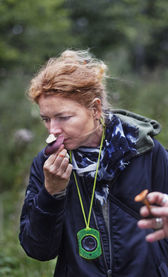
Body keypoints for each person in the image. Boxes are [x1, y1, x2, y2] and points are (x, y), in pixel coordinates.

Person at [19, 49, 168, 277]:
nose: (53, 130)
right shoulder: (47, 164)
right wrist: (52, 193)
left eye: (63, 117)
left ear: (95, 109)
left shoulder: (145, 151)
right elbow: (37, 249)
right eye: (46, 119)